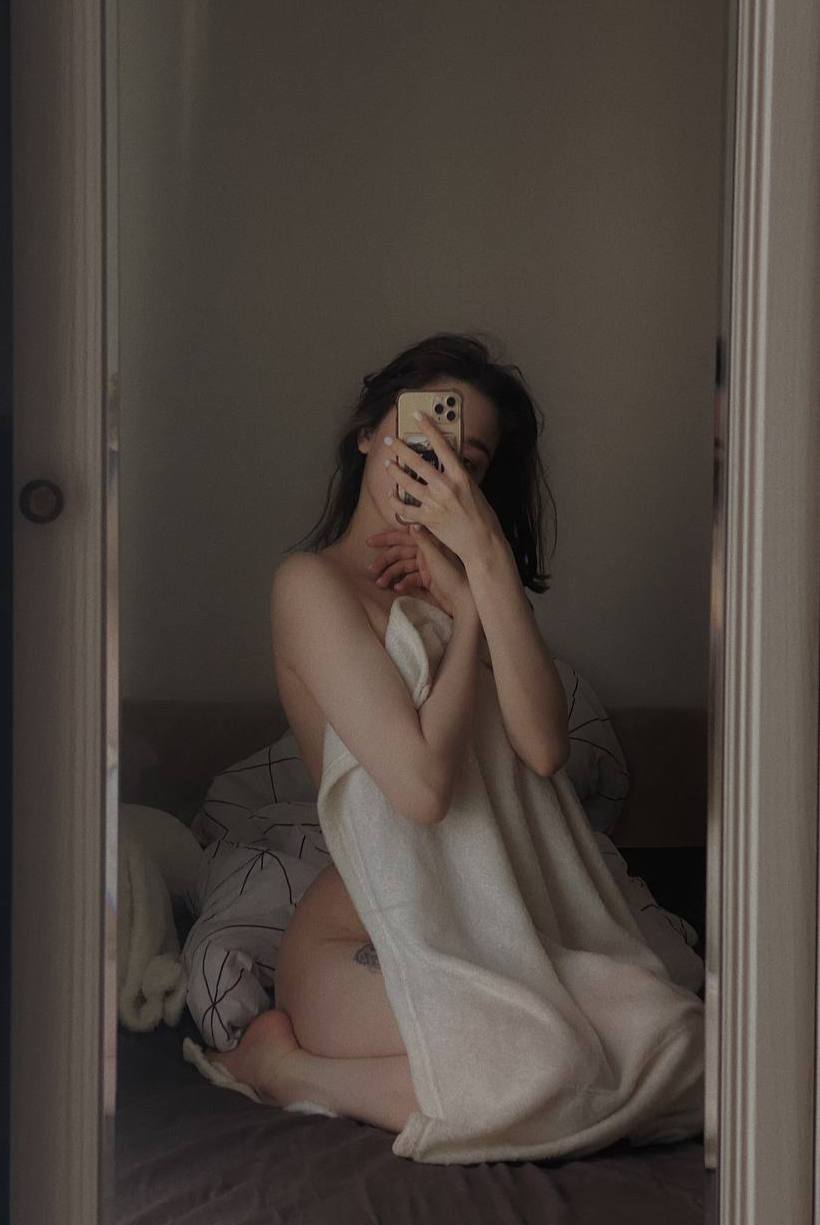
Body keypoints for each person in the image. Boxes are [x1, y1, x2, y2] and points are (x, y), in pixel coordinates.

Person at [207, 332, 570, 1133]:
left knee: (660, 1041)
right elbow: (423, 788)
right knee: (541, 1065)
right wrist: (467, 623)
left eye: (466, 461)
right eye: (423, 437)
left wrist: (482, 573)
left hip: (488, 923)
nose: (440, 469)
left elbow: (545, 747)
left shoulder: (473, 584)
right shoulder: (311, 584)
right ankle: (282, 1068)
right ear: (369, 432)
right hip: (364, 934)